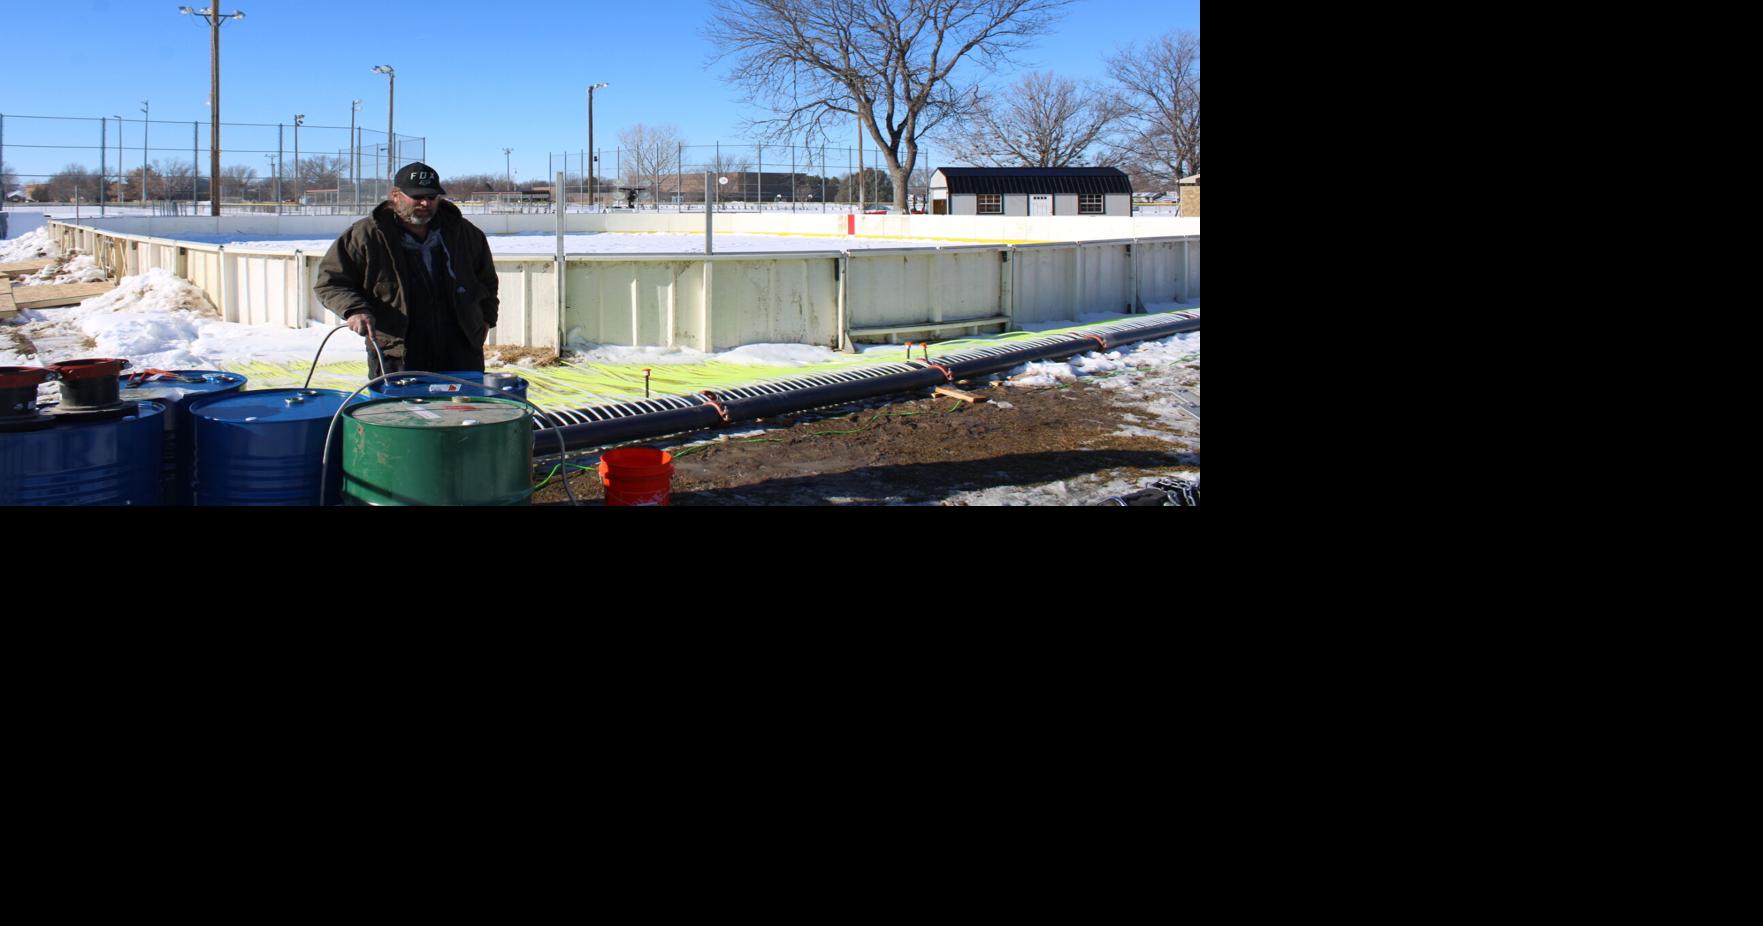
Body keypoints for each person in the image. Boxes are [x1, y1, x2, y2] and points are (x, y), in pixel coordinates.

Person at [315, 162, 499, 379]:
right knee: (403, 411)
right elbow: (331, 282)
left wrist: (486, 320)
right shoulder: (365, 236)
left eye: (432, 197)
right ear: (396, 195)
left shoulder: (466, 233)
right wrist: (354, 309)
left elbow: (487, 281)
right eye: (417, 196)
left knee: (462, 409)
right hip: (398, 351)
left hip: (460, 349)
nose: (425, 202)